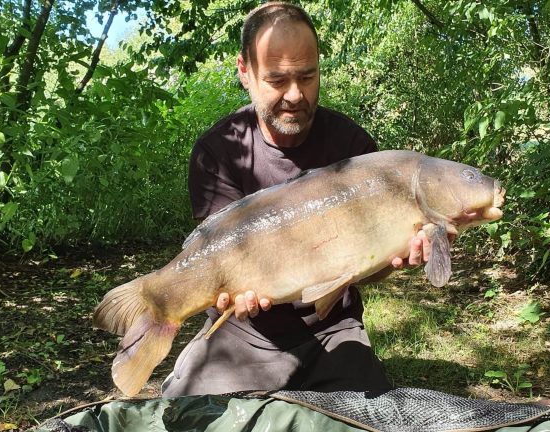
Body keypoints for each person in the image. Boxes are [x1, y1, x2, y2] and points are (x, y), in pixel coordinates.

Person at [160, 2, 431, 397]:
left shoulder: (354, 150)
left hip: (333, 329)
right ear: (244, 72)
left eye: (308, 76)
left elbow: (365, 270)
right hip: (244, 334)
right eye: (276, 80)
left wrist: (397, 258)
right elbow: (217, 255)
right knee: (186, 415)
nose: (295, 94)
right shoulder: (219, 151)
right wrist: (228, 293)